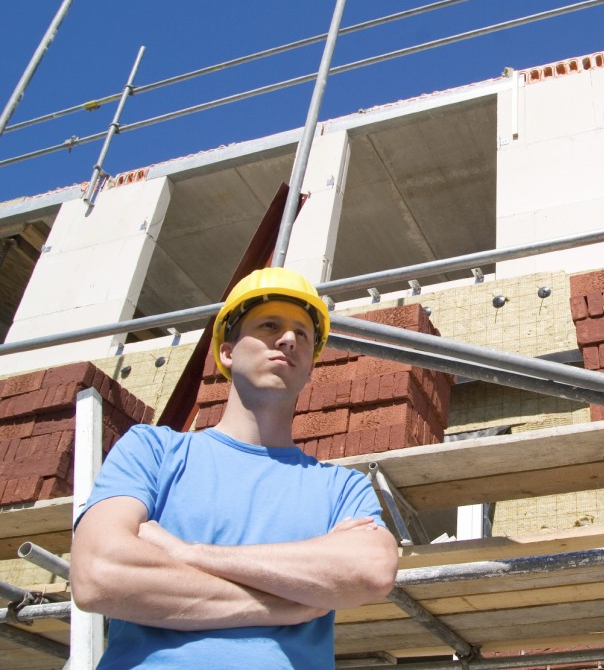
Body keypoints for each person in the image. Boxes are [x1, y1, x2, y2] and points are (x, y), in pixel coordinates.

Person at [71, 267, 399, 669]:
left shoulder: (341, 486)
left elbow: (371, 570)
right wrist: (285, 604)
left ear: (311, 367)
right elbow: (98, 573)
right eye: (269, 325)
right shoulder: (153, 450)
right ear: (227, 352)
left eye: (303, 334)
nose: (288, 339)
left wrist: (186, 553)